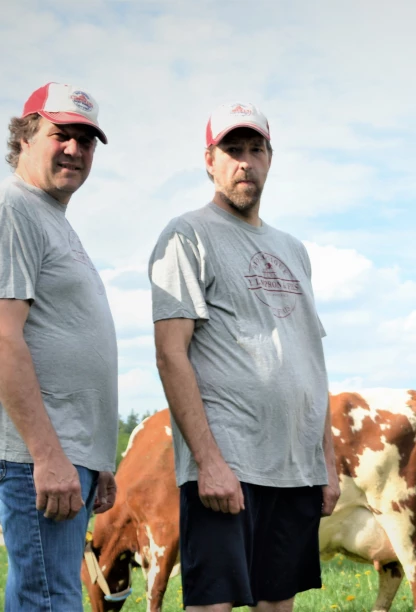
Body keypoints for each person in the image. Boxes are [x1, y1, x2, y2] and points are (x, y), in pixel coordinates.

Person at [149, 102, 339, 611]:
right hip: (229, 464)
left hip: (295, 466)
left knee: (278, 603)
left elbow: (309, 356)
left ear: (270, 159)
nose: (245, 163)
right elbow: (171, 354)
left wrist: (327, 461)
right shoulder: (188, 234)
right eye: (232, 151)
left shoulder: (293, 249)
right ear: (209, 160)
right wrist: (209, 462)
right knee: (213, 604)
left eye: (256, 150)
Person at [0, 82, 118, 611]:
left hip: (70, 457)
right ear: (25, 137)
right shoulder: (13, 209)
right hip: (40, 459)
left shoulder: (53, 221)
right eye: (60, 135)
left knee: (54, 595)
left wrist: (99, 458)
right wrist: (47, 455)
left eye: (86, 140)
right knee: (50, 601)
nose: (74, 149)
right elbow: (3, 336)